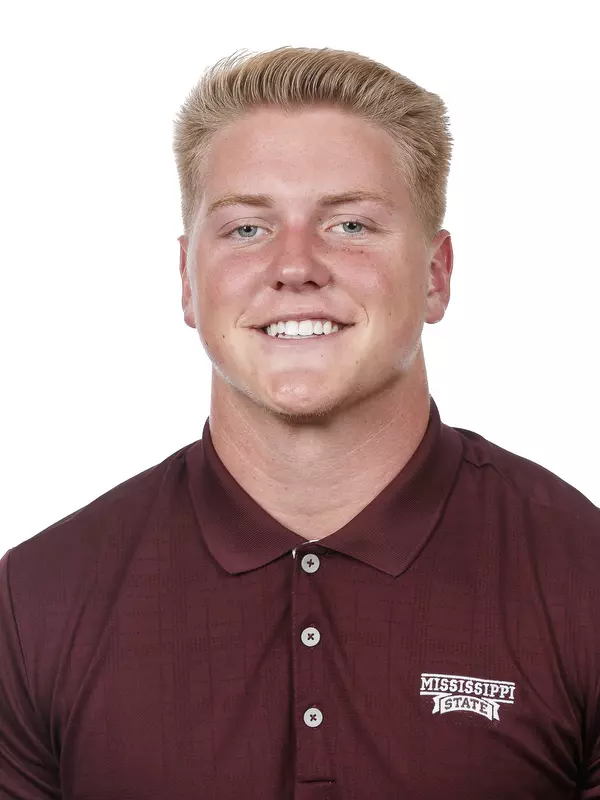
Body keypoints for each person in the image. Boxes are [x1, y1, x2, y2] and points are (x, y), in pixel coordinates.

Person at [1, 45, 598, 800]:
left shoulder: (582, 579)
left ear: (436, 277)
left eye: (349, 224)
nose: (295, 266)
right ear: (188, 283)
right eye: (247, 229)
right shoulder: (37, 600)